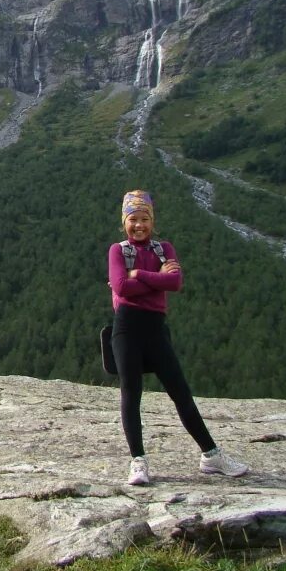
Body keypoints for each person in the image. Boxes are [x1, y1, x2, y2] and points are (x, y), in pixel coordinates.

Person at [108, 189, 248, 486]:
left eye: (145, 219)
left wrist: (140, 277)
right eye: (133, 219)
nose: (139, 225)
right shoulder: (118, 250)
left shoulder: (163, 248)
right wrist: (155, 278)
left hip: (155, 329)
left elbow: (176, 282)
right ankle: (138, 461)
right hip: (127, 329)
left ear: (152, 220)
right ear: (125, 222)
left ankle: (211, 455)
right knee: (131, 394)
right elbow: (120, 287)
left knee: (180, 392)